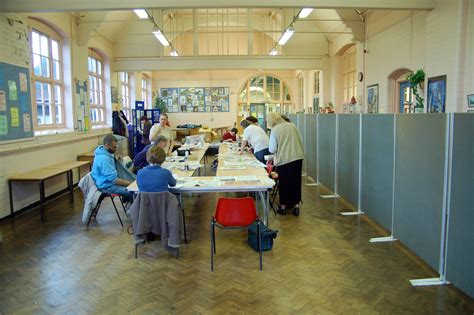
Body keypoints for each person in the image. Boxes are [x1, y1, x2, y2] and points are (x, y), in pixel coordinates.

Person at [267, 112, 304, 216]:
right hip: (297, 157)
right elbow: (300, 139)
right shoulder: (292, 126)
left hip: (284, 159)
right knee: (296, 181)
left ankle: (283, 207)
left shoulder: (275, 130)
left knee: (284, 183)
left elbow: (272, 148)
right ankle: (296, 206)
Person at [91, 134, 133, 200]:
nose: (115, 149)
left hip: (107, 182)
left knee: (132, 186)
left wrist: (114, 158)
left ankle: (129, 202)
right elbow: (114, 180)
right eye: (114, 147)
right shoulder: (104, 159)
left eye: (116, 146)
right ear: (106, 145)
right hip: (106, 187)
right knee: (134, 192)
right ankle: (133, 208)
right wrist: (130, 184)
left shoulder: (103, 151)